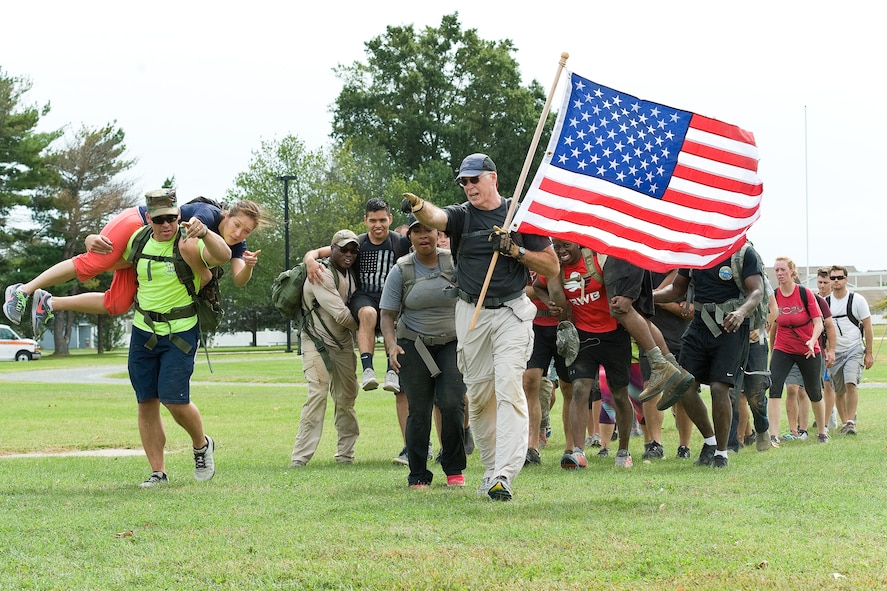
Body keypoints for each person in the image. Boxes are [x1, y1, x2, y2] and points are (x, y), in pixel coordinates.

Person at [401, 153, 561, 501]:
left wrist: (516, 251)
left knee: (508, 387)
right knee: (480, 397)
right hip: (472, 313)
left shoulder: (520, 215)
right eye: (464, 181)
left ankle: (505, 473)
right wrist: (417, 206)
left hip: (512, 313)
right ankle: (490, 471)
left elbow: (551, 267)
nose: (470, 186)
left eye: (475, 179)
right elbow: (437, 216)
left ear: (494, 179)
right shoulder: (462, 215)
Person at [5, 195, 263, 336]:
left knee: (117, 304)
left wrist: (249, 265)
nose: (240, 233)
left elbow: (240, 279)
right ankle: (23, 290)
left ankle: (48, 303)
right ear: (227, 215)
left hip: (148, 250)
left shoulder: (235, 243)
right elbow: (184, 245)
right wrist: (203, 274)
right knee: (96, 262)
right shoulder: (207, 214)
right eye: (236, 225)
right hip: (137, 223)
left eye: (246, 231)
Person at [125, 189, 231, 487]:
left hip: (180, 332)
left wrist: (207, 233)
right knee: (146, 401)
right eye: (160, 220)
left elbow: (222, 255)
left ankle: (201, 444)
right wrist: (91, 242)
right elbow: (108, 262)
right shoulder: (138, 240)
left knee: (174, 399)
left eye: (173, 218)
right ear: (149, 219)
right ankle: (158, 472)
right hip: (143, 331)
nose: (167, 225)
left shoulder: (189, 243)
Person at [303, 198, 413, 463]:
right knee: (367, 314)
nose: (378, 225)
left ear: (389, 219)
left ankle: (390, 370)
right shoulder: (358, 243)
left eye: (383, 220)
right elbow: (321, 251)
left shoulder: (400, 243)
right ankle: (368, 369)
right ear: (366, 220)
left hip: (393, 300)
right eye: (373, 220)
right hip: (365, 297)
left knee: (391, 319)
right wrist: (309, 259)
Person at [653, 241, 766, 468]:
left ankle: (722, 453)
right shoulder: (694, 252)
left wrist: (741, 312)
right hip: (699, 326)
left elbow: (757, 291)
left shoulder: (743, 253)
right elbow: (676, 289)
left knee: (718, 388)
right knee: (683, 384)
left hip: (731, 326)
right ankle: (710, 441)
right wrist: (647, 295)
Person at [380, 218, 467, 489]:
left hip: (452, 343)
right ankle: (418, 473)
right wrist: (391, 345)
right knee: (418, 410)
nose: (423, 236)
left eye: (427, 230)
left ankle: (454, 468)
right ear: (410, 237)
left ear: (437, 232)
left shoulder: (453, 263)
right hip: (413, 344)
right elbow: (387, 314)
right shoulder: (401, 269)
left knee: (452, 404)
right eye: (416, 231)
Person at [536, 240, 636, 469]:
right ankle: (578, 452)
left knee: (619, 393)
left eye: (566, 246)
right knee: (580, 388)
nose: (561, 251)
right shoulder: (554, 269)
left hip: (614, 335)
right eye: (557, 246)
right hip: (582, 337)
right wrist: (548, 302)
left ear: (579, 245)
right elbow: (538, 285)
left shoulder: (597, 260)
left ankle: (623, 450)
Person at [290, 230, 360, 467]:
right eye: (343, 249)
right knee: (317, 395)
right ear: (333, 250)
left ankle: (346, 455)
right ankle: (299, 458)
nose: (348, 254)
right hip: (315, 341)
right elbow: (341, 315)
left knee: (346, 399)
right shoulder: (320, 272)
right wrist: (369, 327)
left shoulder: (350, 273)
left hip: (343, 344)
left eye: (353, 250)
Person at [765, 257, 829, 443]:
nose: (779, 273)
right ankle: (773, 435)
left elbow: (819, 323)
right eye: (776, 270)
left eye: (783, 269)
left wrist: (812, 340)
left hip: (808, 348)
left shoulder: (805, 293)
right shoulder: (774, 295)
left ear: (792, 271)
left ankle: (822, 432)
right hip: (783, 347)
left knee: (814, 390)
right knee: (774, 386)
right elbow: (770, 323)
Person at [826, 265, 873, 435]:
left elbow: (867, 326)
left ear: (846, 279)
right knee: (839, 390)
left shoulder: (857, 300)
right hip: (835, 351)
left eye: (839, 277)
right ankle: (845, 422)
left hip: (854, 348)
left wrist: (869, 352)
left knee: (850, 383)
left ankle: (851, 421)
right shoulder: (825, 303)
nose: (836, 281)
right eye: (833, 278)